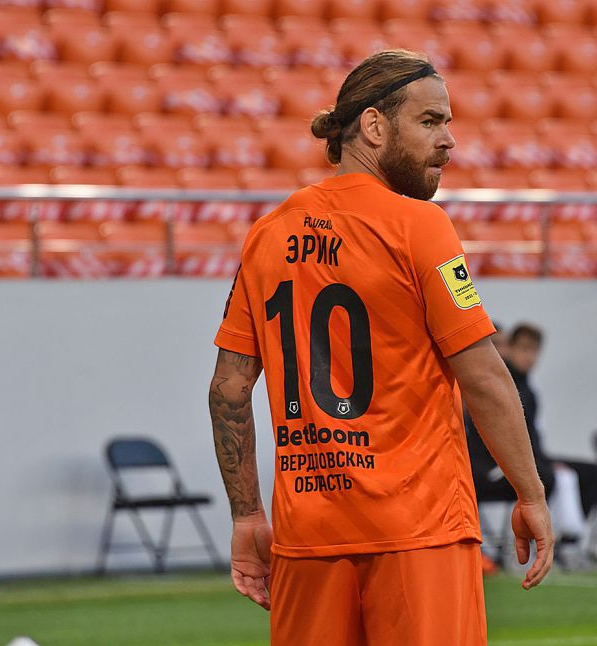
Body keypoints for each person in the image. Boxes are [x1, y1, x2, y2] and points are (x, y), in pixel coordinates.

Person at [208, 50, 553, 646]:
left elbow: (229, 389)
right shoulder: (420, 225)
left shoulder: (267, 234)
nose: (448, 140)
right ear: (373, 125)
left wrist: (246, 516)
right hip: (419, 532)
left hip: (306, 537)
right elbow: (484, 376)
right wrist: (531, 494)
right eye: (430, 121)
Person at [466, 323, 597, 567]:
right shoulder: (495, 384)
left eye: (534, 351)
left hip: (525, 456)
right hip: (488, 464)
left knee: (593, 473)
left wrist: (545, 460)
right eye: (523, 350)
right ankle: (528, 548)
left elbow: (531, 439)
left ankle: (569, 541)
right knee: (545, 476)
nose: (529, 357)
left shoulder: (527, 389)